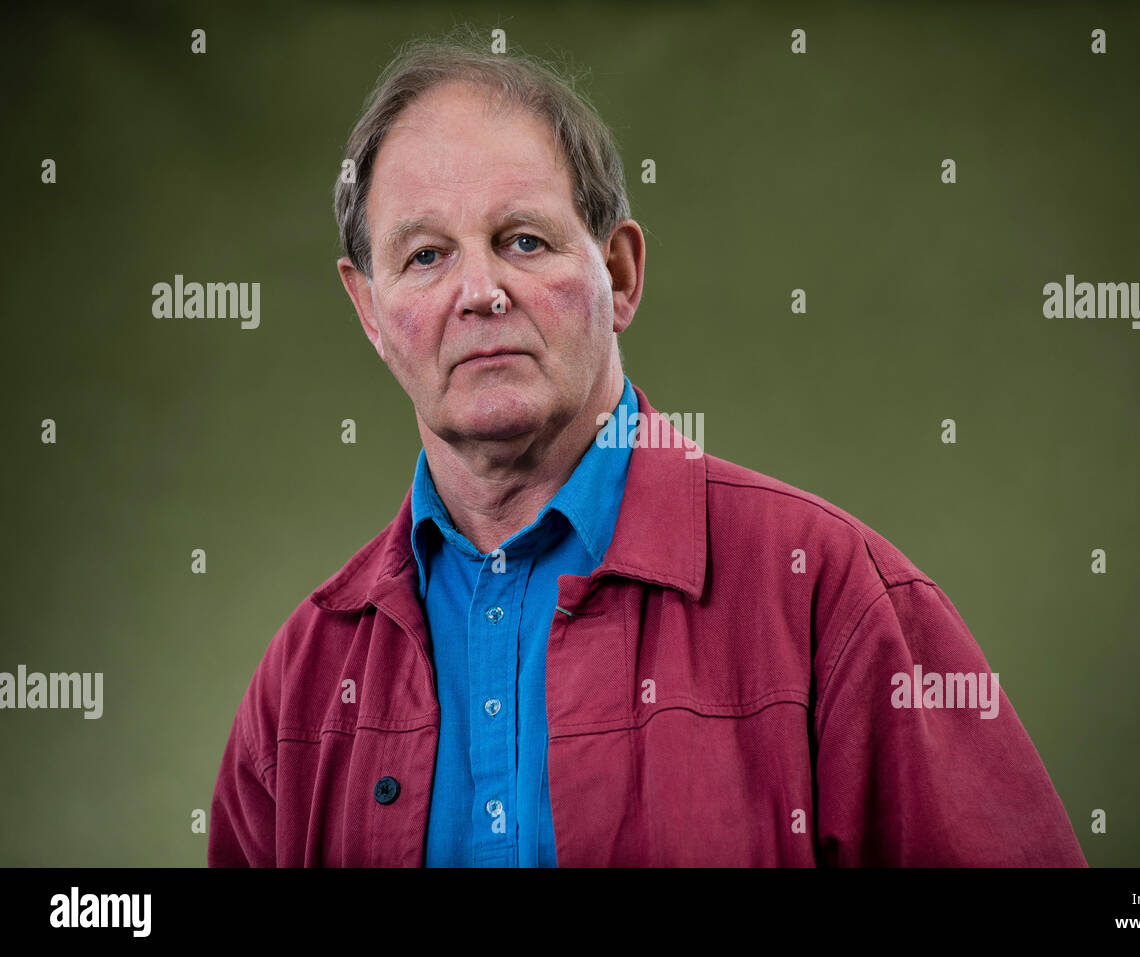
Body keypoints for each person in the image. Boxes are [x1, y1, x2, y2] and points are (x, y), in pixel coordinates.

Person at [208, 33, 1087, 867]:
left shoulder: (832, 598)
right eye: (427, 254)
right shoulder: (300, 686)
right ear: (368, 309)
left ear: (620, 274)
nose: (480, 292)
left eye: (524, 240)